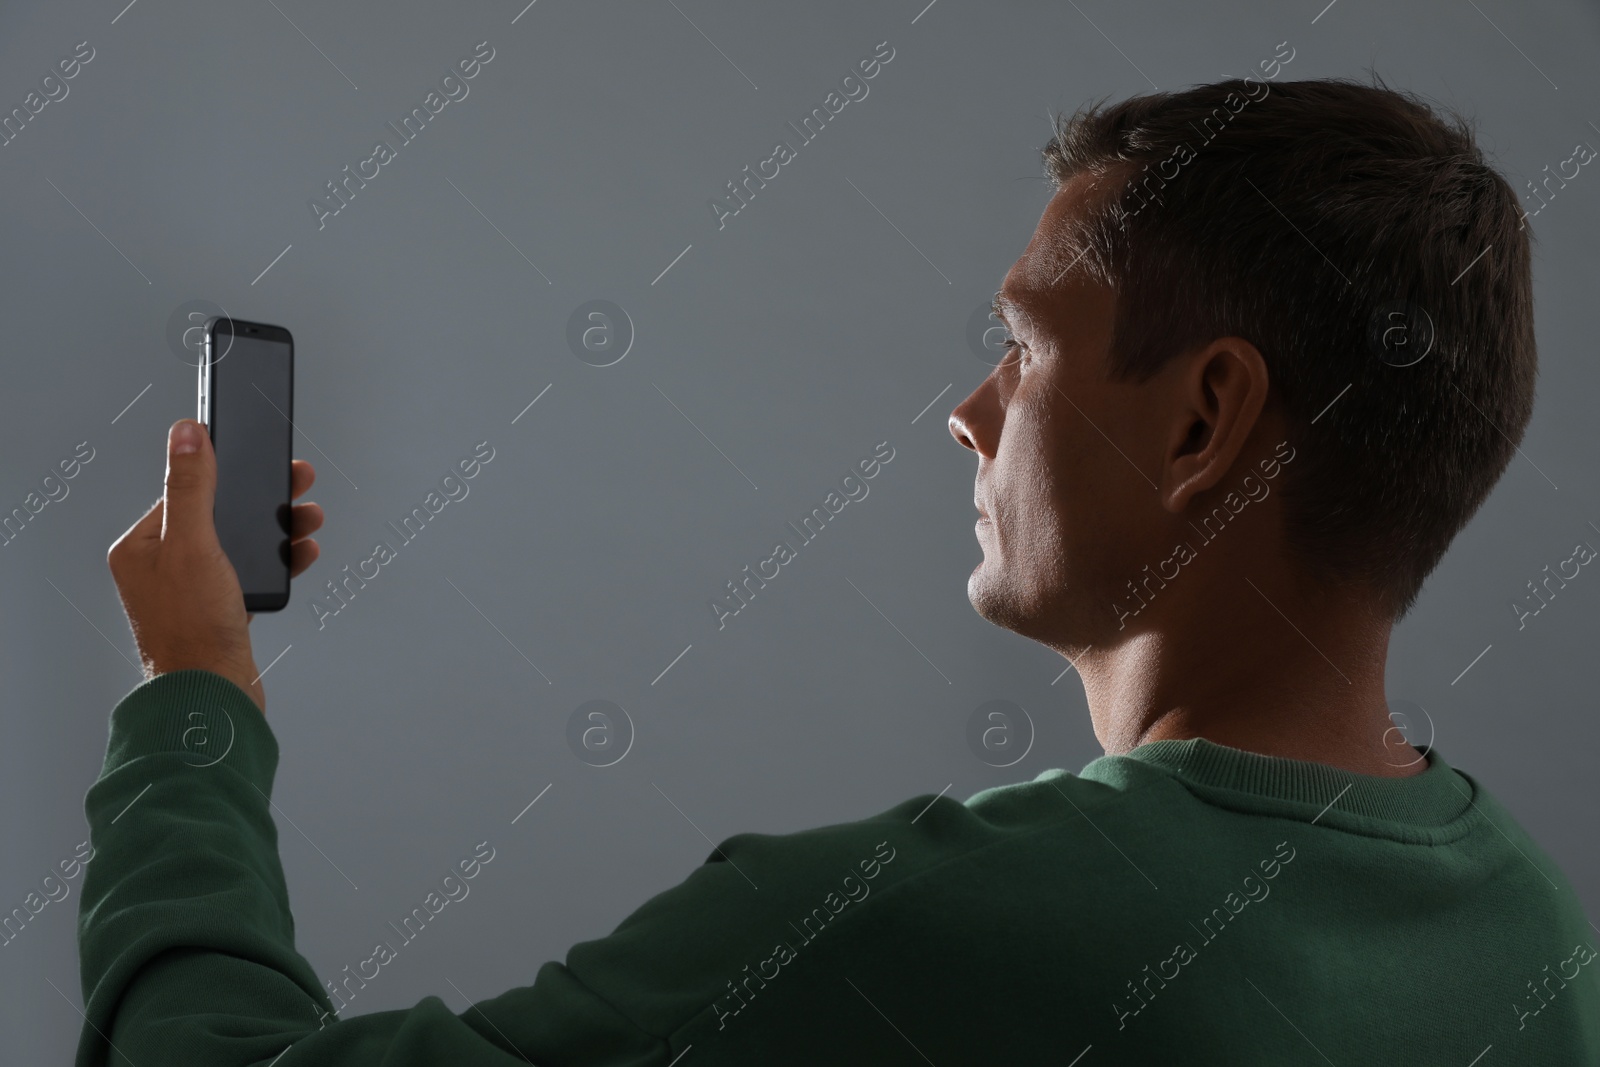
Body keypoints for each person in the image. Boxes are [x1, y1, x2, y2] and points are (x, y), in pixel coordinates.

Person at [76, 76, 1598, 1065]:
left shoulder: (935, 930)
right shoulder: (1536, 939)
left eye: (1022, 347)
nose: (968, 410)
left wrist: (193, 696)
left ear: (1205, 421)